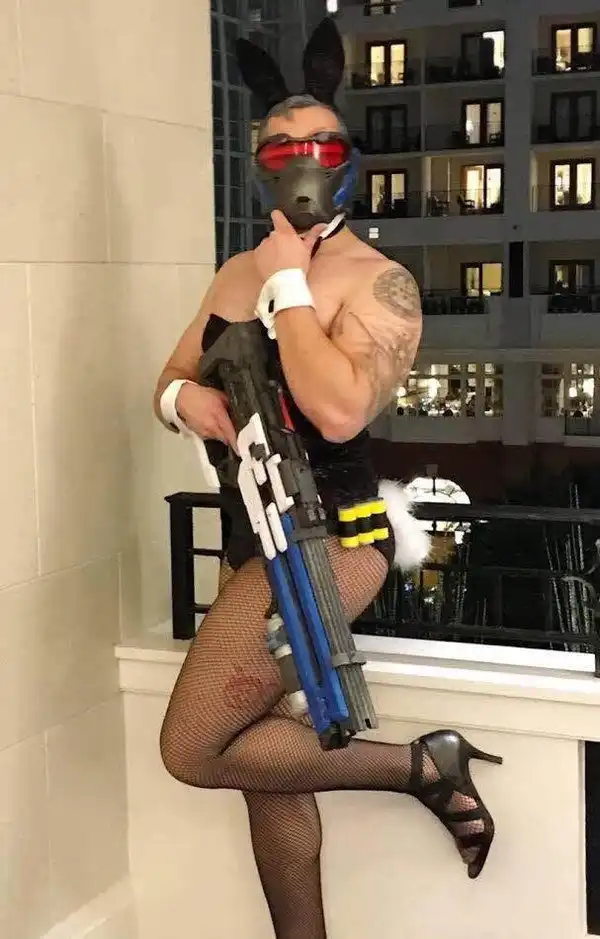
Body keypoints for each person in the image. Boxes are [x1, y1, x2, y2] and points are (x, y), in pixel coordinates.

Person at [153, 18, 502, 939]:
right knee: (263, 778)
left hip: (330, 540)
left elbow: (340, 409)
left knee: (191, 748)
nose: (299, 161)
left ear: (346, 159)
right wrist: (190, 404)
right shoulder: (235, 270)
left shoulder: (378, 281)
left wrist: (289, 288)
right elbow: (170, 377)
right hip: (250, 534)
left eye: (319, 144)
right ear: (258, 162)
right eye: (280, 147)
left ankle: (421, 767)